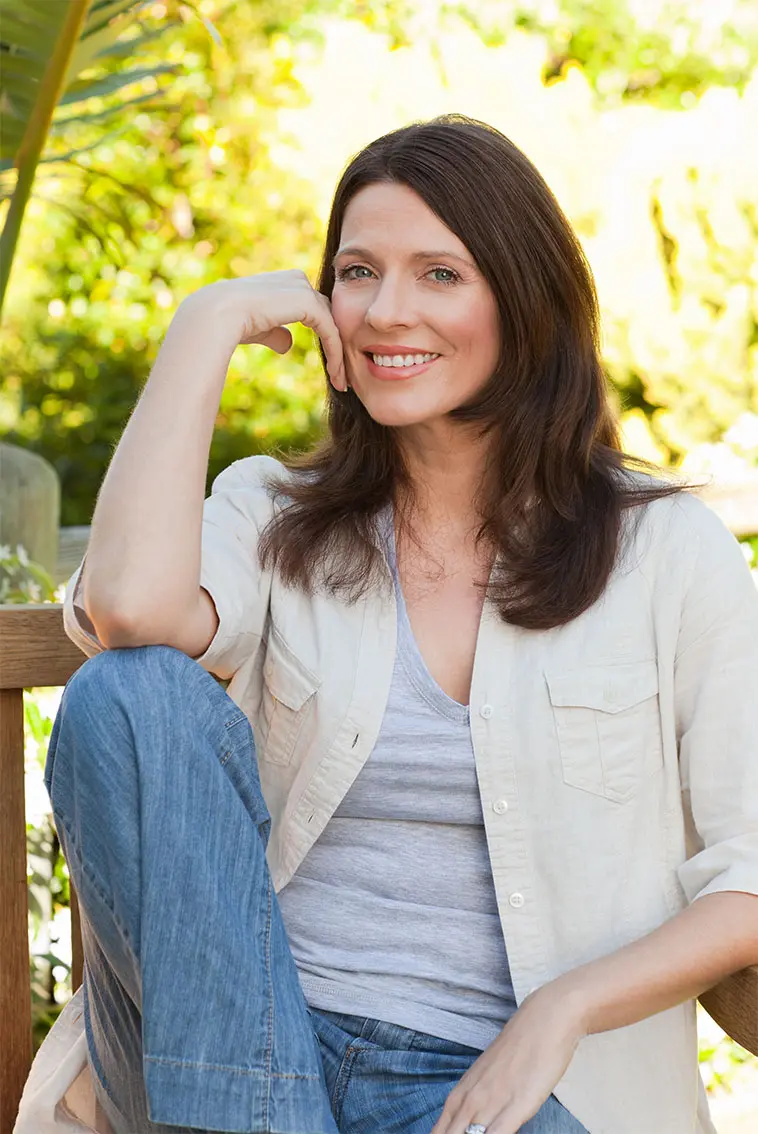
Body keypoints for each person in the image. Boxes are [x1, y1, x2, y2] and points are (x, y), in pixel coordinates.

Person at [32, 115, 758, 1134]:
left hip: (489, 1089)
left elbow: (749, 871)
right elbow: (128, 612)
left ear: (524, 298)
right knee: (128, 690)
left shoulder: (667, 553)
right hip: (252, 1051)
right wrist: (205, 325)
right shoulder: (277, 515)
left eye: (438, 274)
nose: (385, 311)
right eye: (356, 272)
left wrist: (563, 1006)